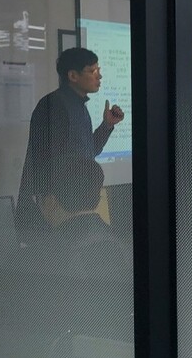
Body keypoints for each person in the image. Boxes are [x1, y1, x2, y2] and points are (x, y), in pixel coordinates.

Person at [16, 47, 124, 233]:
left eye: (98, 70)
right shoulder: (54, 105)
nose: (99, 76)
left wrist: (107, 125)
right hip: (55, 205)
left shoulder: (78, 106)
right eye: (92, 71)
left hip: (71, 203)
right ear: (73, 75)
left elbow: (87, 151)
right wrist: (56, 204)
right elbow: (51, 161)